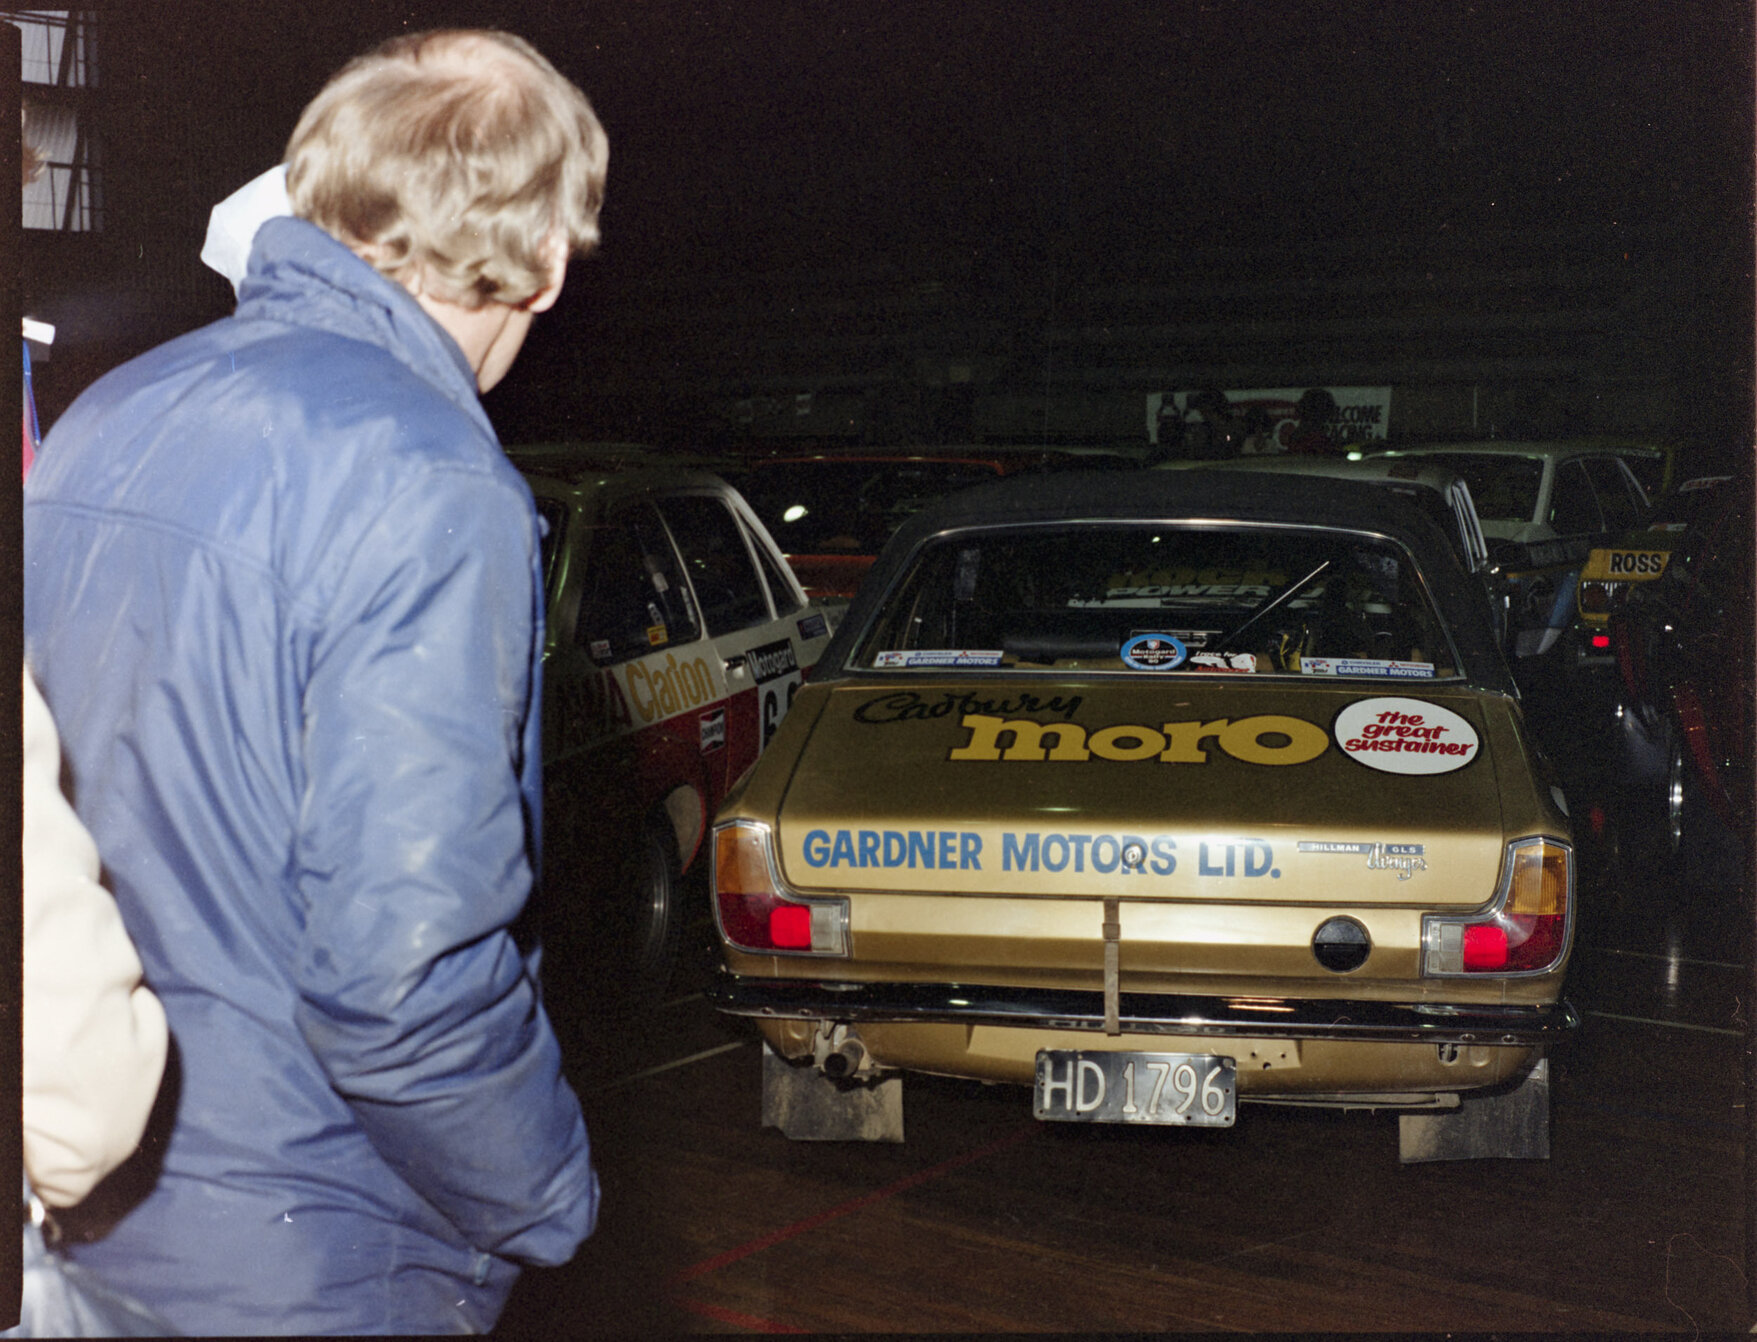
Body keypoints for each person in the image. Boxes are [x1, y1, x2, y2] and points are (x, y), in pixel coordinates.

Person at [23, 29, 607, 1335]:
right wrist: (549, 1198)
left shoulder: (108, 416)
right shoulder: (434, 483)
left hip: (94, 1218)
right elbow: (404, 984)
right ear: (548, 259)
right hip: (317, 1254)